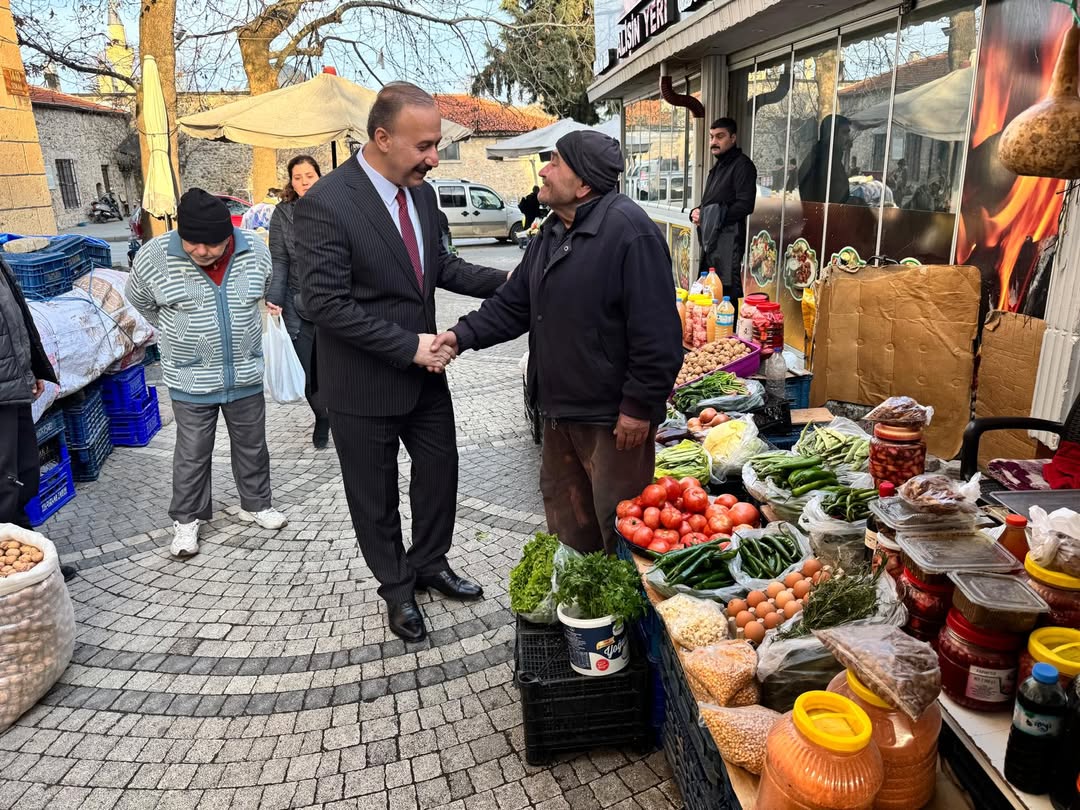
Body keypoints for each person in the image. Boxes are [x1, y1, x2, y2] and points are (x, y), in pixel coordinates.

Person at [294, 82, 508, 643]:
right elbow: (323, 303)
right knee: (375, 495)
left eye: (436, 145)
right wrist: (409, 345)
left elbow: (440, 266)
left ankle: (431, 562)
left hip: (423, 379)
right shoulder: (326, 204)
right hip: (363, 385)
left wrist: (517, 282)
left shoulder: (421, 196)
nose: (434, 159)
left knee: (440, 475)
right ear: (382, 138)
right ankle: (396, 587)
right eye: (424, 147)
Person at [431, 130, 683, 557]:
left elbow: (658, 335)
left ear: (583, 183)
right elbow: (514, 305)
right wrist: (459, 336)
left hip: (611, 424)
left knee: (619, 530)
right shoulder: (551, 232)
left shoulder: (629, 233)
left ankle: (624, 621)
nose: (544, 171)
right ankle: (582, 616)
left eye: (555, 163)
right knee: (569, 525)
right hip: (558, 414)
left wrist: (639, 407)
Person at [127, 188, 287, 558]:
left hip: (245, 372)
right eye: (192, 243)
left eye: (212, 244)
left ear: (228, 236)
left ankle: (256, 503)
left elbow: (263, 293)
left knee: (252, 446)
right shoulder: (154, 256)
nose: (202, 251)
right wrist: (178, 332)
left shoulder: (255, 252)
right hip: (189, 377)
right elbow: (140, 300)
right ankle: (186, 521)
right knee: (192, 452)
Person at [0, 255, 75, 582]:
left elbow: (16, 323)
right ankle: (14, 576)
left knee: (25, 472)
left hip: (12, 386)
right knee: (3, 481)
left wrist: (29, 373)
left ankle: (25, 554)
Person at [266, 155, 329, 448]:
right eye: (297, 177)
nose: (303, 182)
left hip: (334, 301)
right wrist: (275, 298)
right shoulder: (282, 214)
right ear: (290, 181)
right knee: (307, 369)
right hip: (297, 302)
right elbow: (279, 260)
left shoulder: (336, 206)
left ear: (319, 176)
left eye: (309, 176)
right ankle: (322, 415)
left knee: (337, 367)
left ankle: (342, 418)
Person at [690, 117, 757, 303]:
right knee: (709, 293)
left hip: (729, 242)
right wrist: (697, 212)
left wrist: (709, 216)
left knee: (726, 295)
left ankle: (728, 333)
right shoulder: (718, 167)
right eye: (711, 137)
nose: (713, 142)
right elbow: (712, 202)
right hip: (712, 241)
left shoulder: (742, 166)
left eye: (720, 137)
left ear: (733, 138)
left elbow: (745, 205)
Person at [798, 114, 853, 205]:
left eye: (848, 133)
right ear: (831, 134)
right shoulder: (823, 159)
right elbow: (832, 198)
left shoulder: (831, 156)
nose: (848, 138)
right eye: (844, 132)